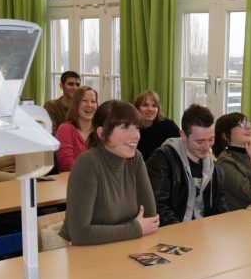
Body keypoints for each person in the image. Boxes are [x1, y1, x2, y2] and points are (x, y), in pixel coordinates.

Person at [59, 100, 159, 245]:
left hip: (122, 246)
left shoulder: (135, 158)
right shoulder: (87, 163)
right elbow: (80, 234)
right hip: (83, 254)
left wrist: (127, 230)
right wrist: (135, 228)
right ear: (102, 133)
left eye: (137, 128)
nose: (136, 135)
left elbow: (150, 218)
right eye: (125, 127)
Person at [146, 104, 228, 225]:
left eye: (211, 139)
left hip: (203, 232)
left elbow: (220, 208)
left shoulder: (215, 169)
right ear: (183, 135)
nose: (207, 147)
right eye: (200, 141)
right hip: (173, 232)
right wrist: (183, 233)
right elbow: (157, 207)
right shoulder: (162, 160)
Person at [55, 85, 98, 171]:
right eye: (84, 101)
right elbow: (67, 165)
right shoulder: (65, 129)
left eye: (93, 101)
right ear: (75, 104)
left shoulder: (100, 130)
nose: (89, 105)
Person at [135, 89, 181, 160]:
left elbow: (181, 148)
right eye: (145, 105)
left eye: (154, 106)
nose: (150, 109)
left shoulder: (169, 126)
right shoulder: (131, 129)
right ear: (137, 108)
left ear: (158, 109)